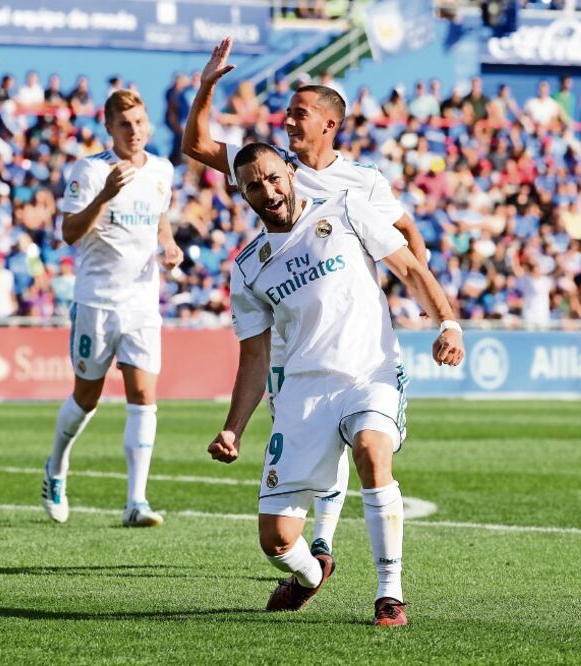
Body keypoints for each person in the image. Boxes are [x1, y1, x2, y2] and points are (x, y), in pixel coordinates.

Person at [183, 37, 430, 557]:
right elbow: (196, 145)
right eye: (287, 114)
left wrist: (412, 290)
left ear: (328, 123)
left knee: (353, 429)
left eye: (298, 114)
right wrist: (206, 86)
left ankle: (323, 542)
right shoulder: (268, 167)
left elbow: (405, 229)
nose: (288, 122)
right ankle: (310, 546)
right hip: (285, 328)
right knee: (309, 433)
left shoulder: (361, 182)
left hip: (342, 332)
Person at [208, 142, 464, 625]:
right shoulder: (247, 267)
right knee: (277, 541)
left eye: (272, 177)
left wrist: (447, 322)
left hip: (369, 371)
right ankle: (309, 575)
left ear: (290, 171)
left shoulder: (346, 209)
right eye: (252, 186)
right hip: (303, 394)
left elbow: (409, 267)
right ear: (241, 194)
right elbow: (255, 355)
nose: (268, 191)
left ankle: (390, 593)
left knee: (371, 447)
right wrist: (233, 429)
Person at [40, 90, 183, 527]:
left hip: (142, 303)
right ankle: (56, 468)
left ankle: (135, 502)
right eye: (124, 124)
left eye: (139, 122)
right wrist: (103, 196)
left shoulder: (162, 170)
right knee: (87, 396)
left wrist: (170, 245)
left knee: (143, 396)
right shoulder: (91, 169)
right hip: (97, 301)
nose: (134, 131)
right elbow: (67, 232)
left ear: (149, 124)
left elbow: (160, 217)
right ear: (109, 128)